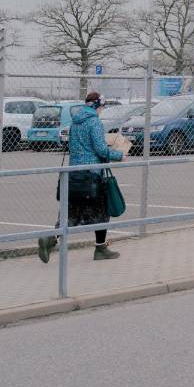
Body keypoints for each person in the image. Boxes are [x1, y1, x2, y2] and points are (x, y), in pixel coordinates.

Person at [38, 91, 124, 263]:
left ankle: (50, 239)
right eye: (102, 107)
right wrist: (118, 155)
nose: (102, 110)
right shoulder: (94, 123)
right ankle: (100, 249)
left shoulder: (74, 122)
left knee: (71, 212)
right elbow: (100, 150)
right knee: (102, 210)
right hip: (92, 175)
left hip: (73, 174)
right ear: (97, 106)